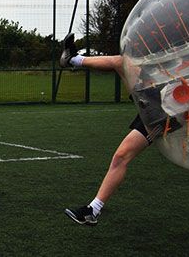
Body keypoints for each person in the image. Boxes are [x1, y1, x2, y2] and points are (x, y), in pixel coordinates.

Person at [61, 33, 179, 225]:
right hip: (157, 97)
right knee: (120, 61)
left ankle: (93, 210)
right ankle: (72, 59)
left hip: (165, 116)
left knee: (121, 156)